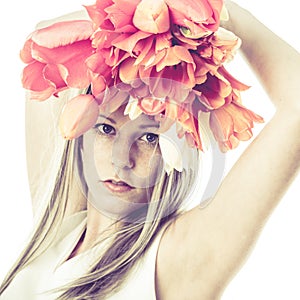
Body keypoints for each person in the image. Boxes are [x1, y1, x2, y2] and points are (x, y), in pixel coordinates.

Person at [1, 0, 299, 299]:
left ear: (179, 149)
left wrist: (229, 15)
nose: (121, 160)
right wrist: (139, 20)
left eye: (149, 138)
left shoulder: (176, 257)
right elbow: (41, 41)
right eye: (105, 129)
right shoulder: (60, 227)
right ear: (81, 137)